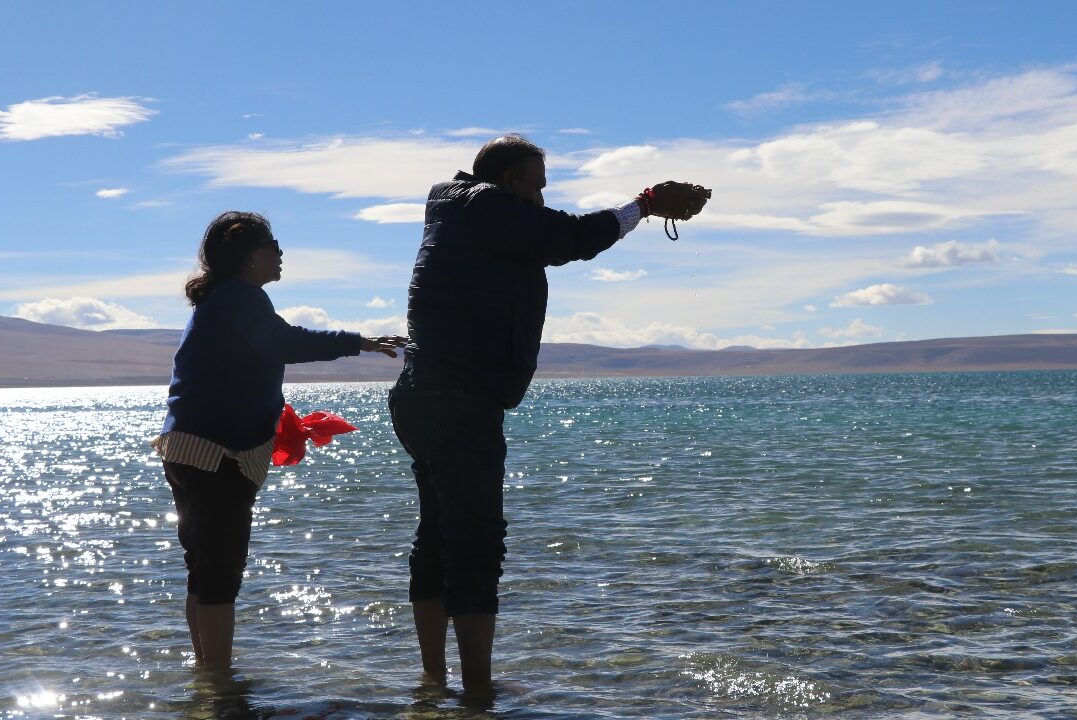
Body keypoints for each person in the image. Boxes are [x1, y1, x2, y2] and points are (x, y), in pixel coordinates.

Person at [387, 135, 709, 697]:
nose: (541, 197)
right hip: (458, 400)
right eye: (536, 185)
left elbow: (552, 238)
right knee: (475, 542)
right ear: (510, 181)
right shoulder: (486, 207)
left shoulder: (455, 208)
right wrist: (645, 204)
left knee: (438, 535)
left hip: (424, 395)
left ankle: (434, 680)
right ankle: (478, 690)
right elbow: (572, 238)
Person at [155, 210, 405, 668]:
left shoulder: (221, 299)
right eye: (273, 245)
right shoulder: (241, 296)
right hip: (217, 454)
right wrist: (358, 341)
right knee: (219, 572)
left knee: (204, 568)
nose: (282, 252)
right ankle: (221, 683)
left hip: (188, 447)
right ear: (248, 255)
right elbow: (285, 343)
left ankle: (208, 675)